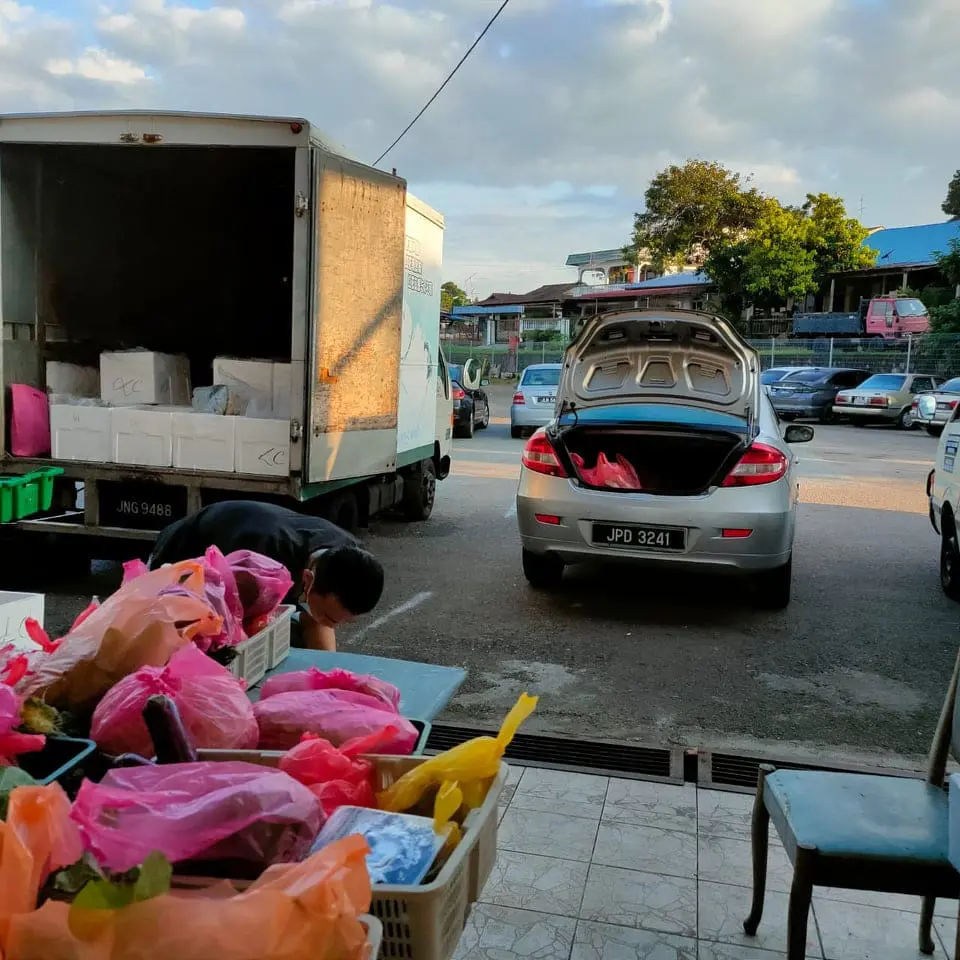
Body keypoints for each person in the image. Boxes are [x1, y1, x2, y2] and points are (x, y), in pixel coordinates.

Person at [148, 500, 384, 652]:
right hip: (182, 555)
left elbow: (318, 624)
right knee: (190, 640)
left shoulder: (350, 556)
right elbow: (236, 628)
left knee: (298, 634)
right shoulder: (258, 563)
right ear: (308, 581)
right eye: (331, 618)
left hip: (257, 540)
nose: (336, 626)